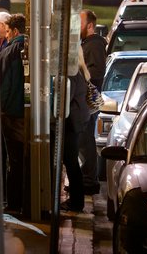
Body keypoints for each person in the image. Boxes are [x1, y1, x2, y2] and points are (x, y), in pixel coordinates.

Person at [0, 13, 27, 213]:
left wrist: (1, 108)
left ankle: (14, 202)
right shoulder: (32, 48)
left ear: (15, 31)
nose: (6, 35)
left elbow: (4, 87)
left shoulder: (9, 52)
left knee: (14, 160)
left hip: (11, 114)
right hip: (28, 113)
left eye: (7, 31)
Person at [79, 9, 107, 194]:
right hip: (85, 98)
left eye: (79, 23)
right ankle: (87, 177)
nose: (76, 27)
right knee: (83, 138)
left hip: (87, 99)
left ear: (90, 25)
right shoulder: (88, 44)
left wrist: (82, 80)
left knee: (85, 138)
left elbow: (95, 74)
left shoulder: (94, 45)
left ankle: (89, 180)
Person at [60, 53, 91, 213]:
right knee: (71, 161)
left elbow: (65, 99)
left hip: (72, 122)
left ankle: (77, 202)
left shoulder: (72, 73)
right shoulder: (80, 71)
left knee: (70, 161)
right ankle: (76, 200)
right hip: (77, 121)